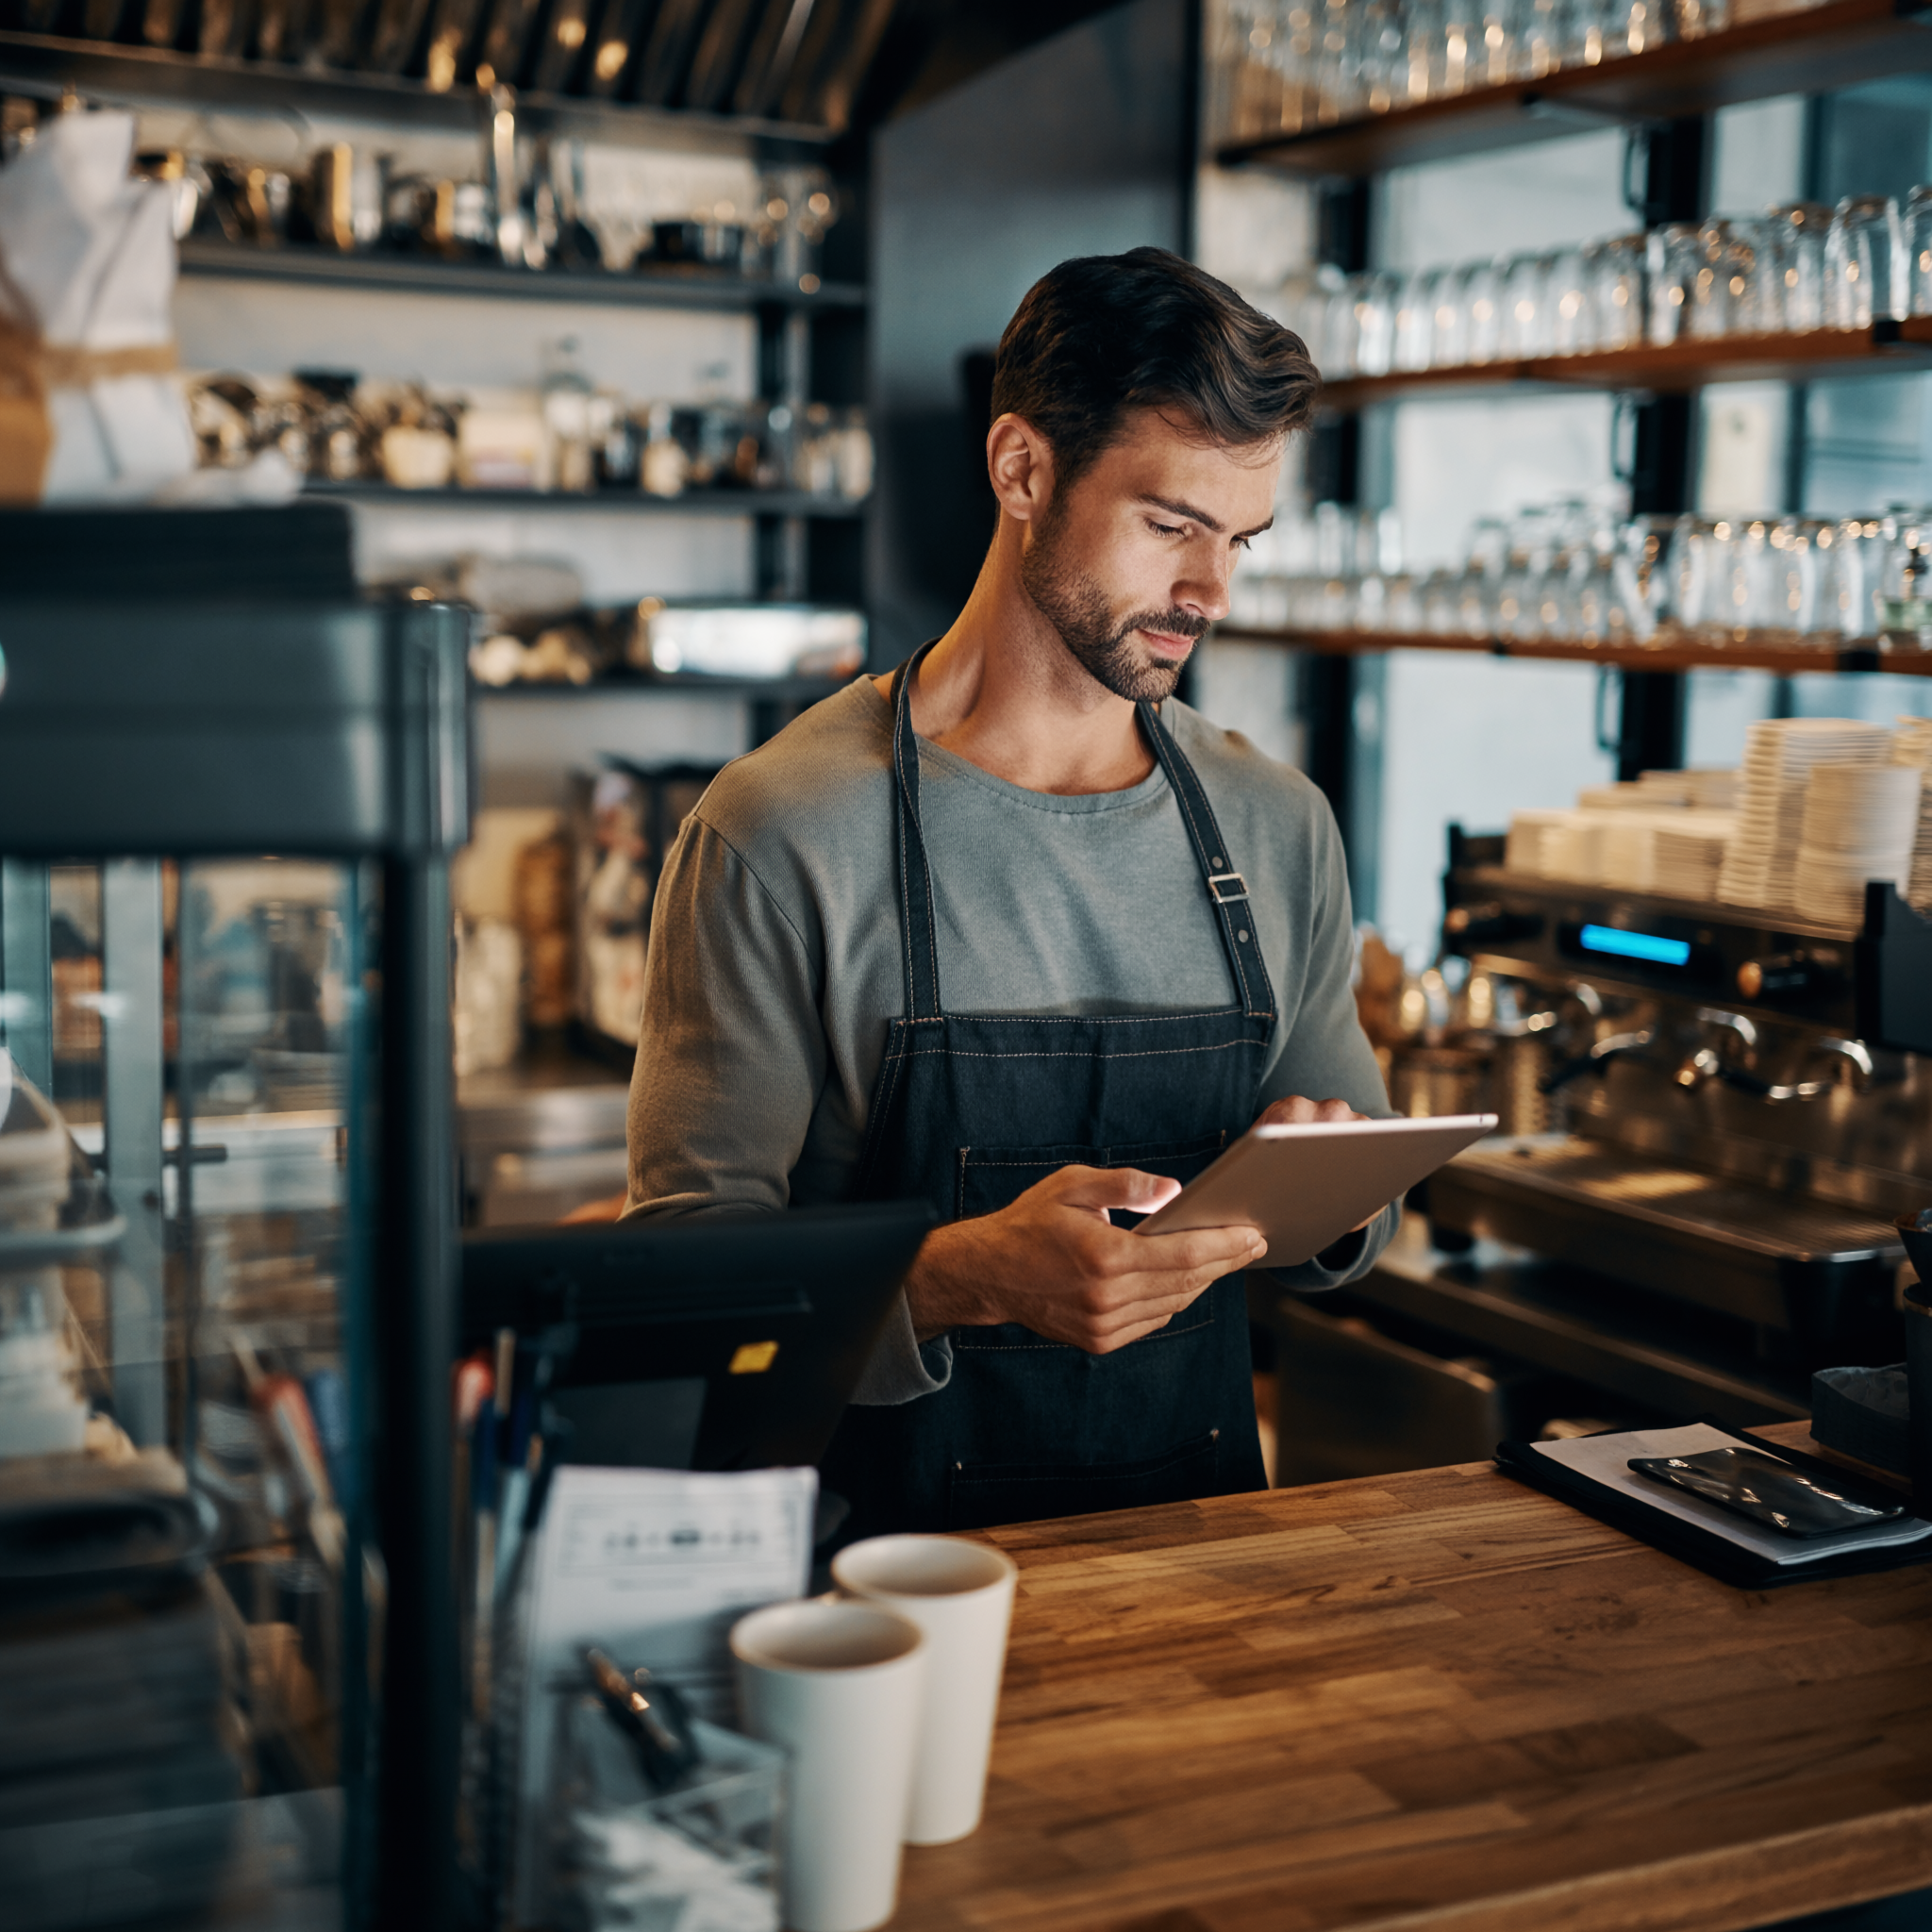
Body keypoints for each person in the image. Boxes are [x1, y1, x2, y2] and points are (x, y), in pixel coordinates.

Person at [625, 245, 1398, 1535]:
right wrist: (955, 1277)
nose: (1211, 593)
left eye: (1241, 541)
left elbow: (1350, 1206)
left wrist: (1327, 1189)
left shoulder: (1278, 825)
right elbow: (684, 1286)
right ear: (1022, 470)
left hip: (1200, 1573)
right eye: (1170, 527)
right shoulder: (780, 830)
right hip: (876, 1587)